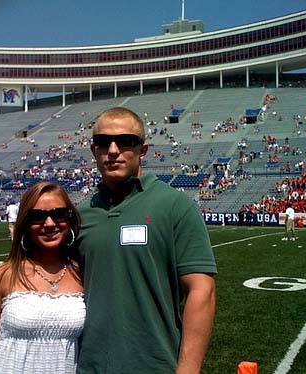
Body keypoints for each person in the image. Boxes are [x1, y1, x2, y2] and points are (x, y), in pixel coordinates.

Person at [76, 107, 217, 373]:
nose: (114, 150)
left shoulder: (175, 205)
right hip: (89, 367)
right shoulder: (81, 215)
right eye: (103, 142)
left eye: (126, 141)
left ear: (143, 150)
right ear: (94, 151)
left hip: (156, 366)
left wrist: (188, 370)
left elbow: (202, 291)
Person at [0, 182, 85, 374]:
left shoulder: (83, 273)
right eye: (37, 217)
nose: (49, 224)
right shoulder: (3, 275)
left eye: (58, 214)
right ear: (25, 222)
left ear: (69, 218)